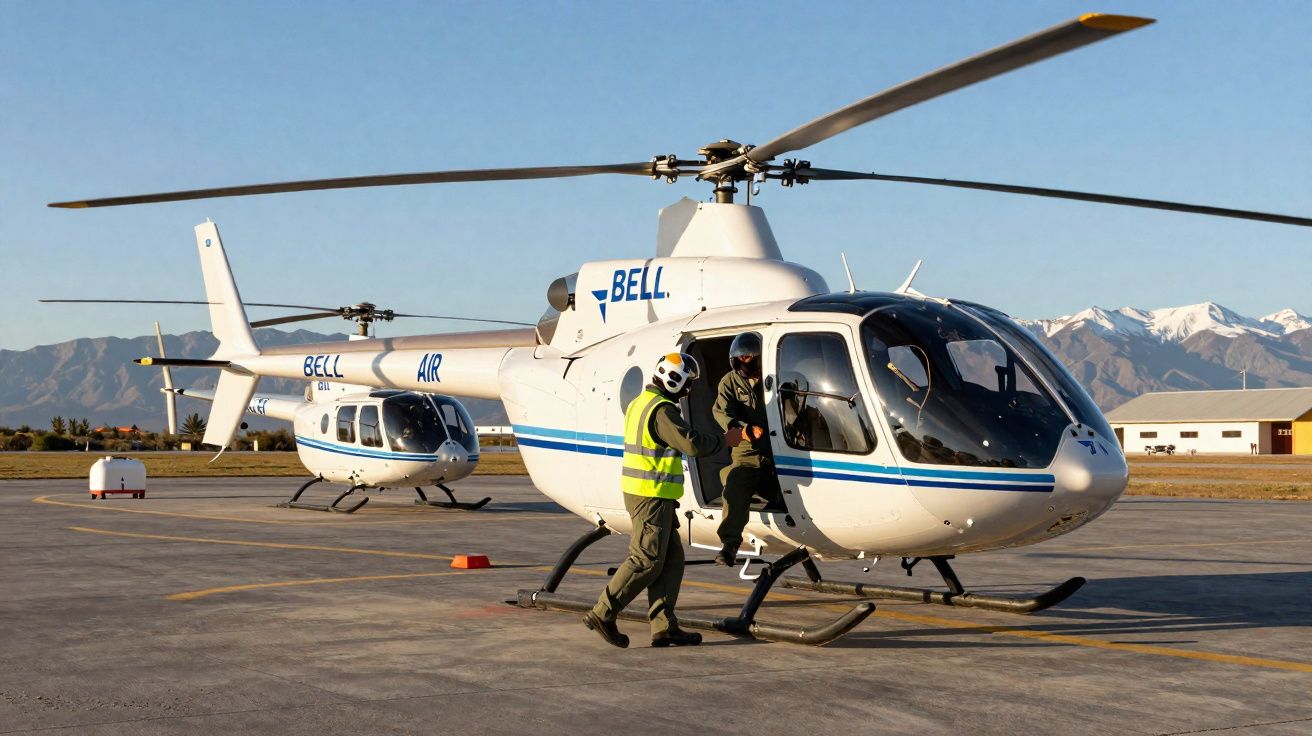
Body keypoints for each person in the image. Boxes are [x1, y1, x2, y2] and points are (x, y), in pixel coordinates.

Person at [585, 352, 724, 649]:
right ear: (675, 381)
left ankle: (664, 627)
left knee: (671, 560)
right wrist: (726, 440)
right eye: (687, 385)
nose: (688, 391)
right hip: (651, 494)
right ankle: (603, 613)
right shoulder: (662, 411)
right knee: (645, 560)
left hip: (648, 493)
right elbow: (691, 444)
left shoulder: (640, 403)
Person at [711, 332, 773, 567]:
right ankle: (730, 545)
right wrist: (743, 430)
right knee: (735, 485)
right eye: (743, 357)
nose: (746, 360)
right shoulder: (729, 382)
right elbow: (721, 412)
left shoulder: (773, 375)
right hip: (746, 453)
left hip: (778, 450)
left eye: (751, 356)